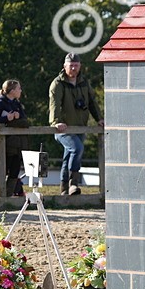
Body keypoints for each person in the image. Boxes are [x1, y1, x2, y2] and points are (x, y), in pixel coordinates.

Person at [49, 53, 102, 196]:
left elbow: (91, 101)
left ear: (80, 66)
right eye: (71, 65)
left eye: (76, 65)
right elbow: (55, 105)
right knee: (77, 149)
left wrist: (99, 119)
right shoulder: (58, 84)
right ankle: (73, 183)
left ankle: (64, 191)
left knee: (69, 157)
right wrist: (56, 122)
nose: (73, 68)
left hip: (80, 126)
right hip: (63, 128)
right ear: (64, 66)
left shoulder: (84, 82)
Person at [0, 79, 30, 197]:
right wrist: (7, 118)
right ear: (12, 90)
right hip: (5, 144)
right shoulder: (0, 102)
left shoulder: (16, 103)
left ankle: (8, 195)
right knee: (2, 170)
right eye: (18, 88)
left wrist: (18, 115)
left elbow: (25, 120)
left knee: (15, 172)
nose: (20, 90)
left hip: (17, 144)